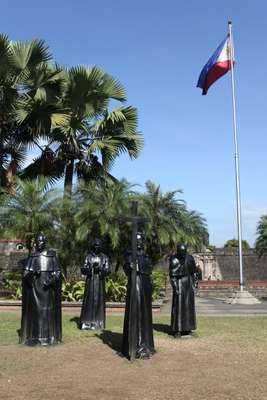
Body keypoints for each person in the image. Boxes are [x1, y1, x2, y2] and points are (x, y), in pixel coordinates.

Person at [20, 232, 62, 346]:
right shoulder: (32, 256)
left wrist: (50, 281)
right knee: (36, 313)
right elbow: (25, 274)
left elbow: (58, 273)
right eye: (37, 241)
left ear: (45, 242)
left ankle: (49, 337)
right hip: (34, 290)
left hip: (47, 290)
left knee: (47, 311)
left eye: (41, 241)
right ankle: (34, 337)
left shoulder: (51, 256)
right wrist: (33, 273)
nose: (39, 243)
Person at [122, 232, 155, 359]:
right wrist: (130, 267)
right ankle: (134, 346)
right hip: (135, 285)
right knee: (135, 313)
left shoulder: (145, 255)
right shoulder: (129, 255)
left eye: (141, 240)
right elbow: (127, 268)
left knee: (145, 315)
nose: (140, 243)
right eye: (137, 241)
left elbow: (149, 269)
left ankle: (145, 345)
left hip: (145, 285)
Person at [80, 238, 110, 330]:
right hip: (90, 282)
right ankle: (87, 323)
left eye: (99, 245)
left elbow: (108, 270)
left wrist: (101, 269)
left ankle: (98, 322)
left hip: (100, 283)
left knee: (99, 302)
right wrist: (91, 269)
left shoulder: (105, 257)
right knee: (88, 301)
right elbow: (83, 269)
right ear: (93, 246)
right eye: (95, 245)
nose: (97, 247)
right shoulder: (88, 257)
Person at [169, 243, 197, 337]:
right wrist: (175, 288)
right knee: (179, 307)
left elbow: (193, 272)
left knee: (189, 306)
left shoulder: (190, 258)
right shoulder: (174, 260)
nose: (183, 255)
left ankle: (188, 328)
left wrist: (194, 285)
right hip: (179, 282)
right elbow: (172, 276)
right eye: (181, 252)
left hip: (188, 283)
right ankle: (178, 329)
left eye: (184, 252)